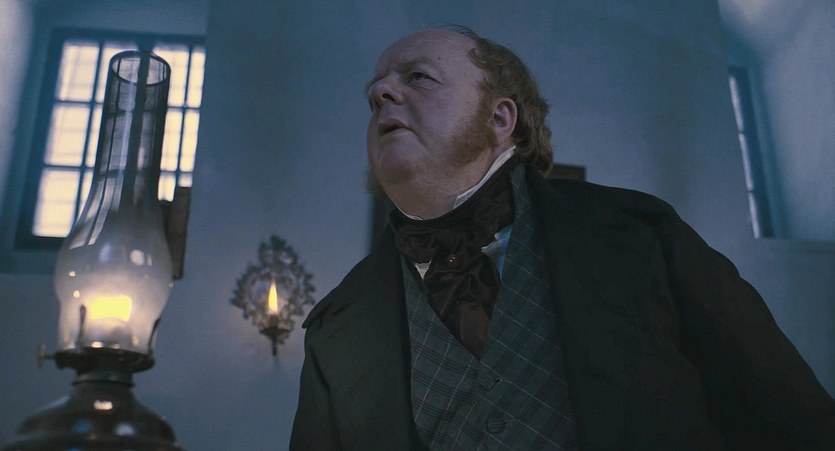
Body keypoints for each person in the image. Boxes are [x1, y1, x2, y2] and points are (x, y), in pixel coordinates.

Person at [290, 27, 835, 450]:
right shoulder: (337, 324)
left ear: (500, 118)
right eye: (375, 95)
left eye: (419, 77)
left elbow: (794, 422)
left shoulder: (643, 236)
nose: (380, 92)